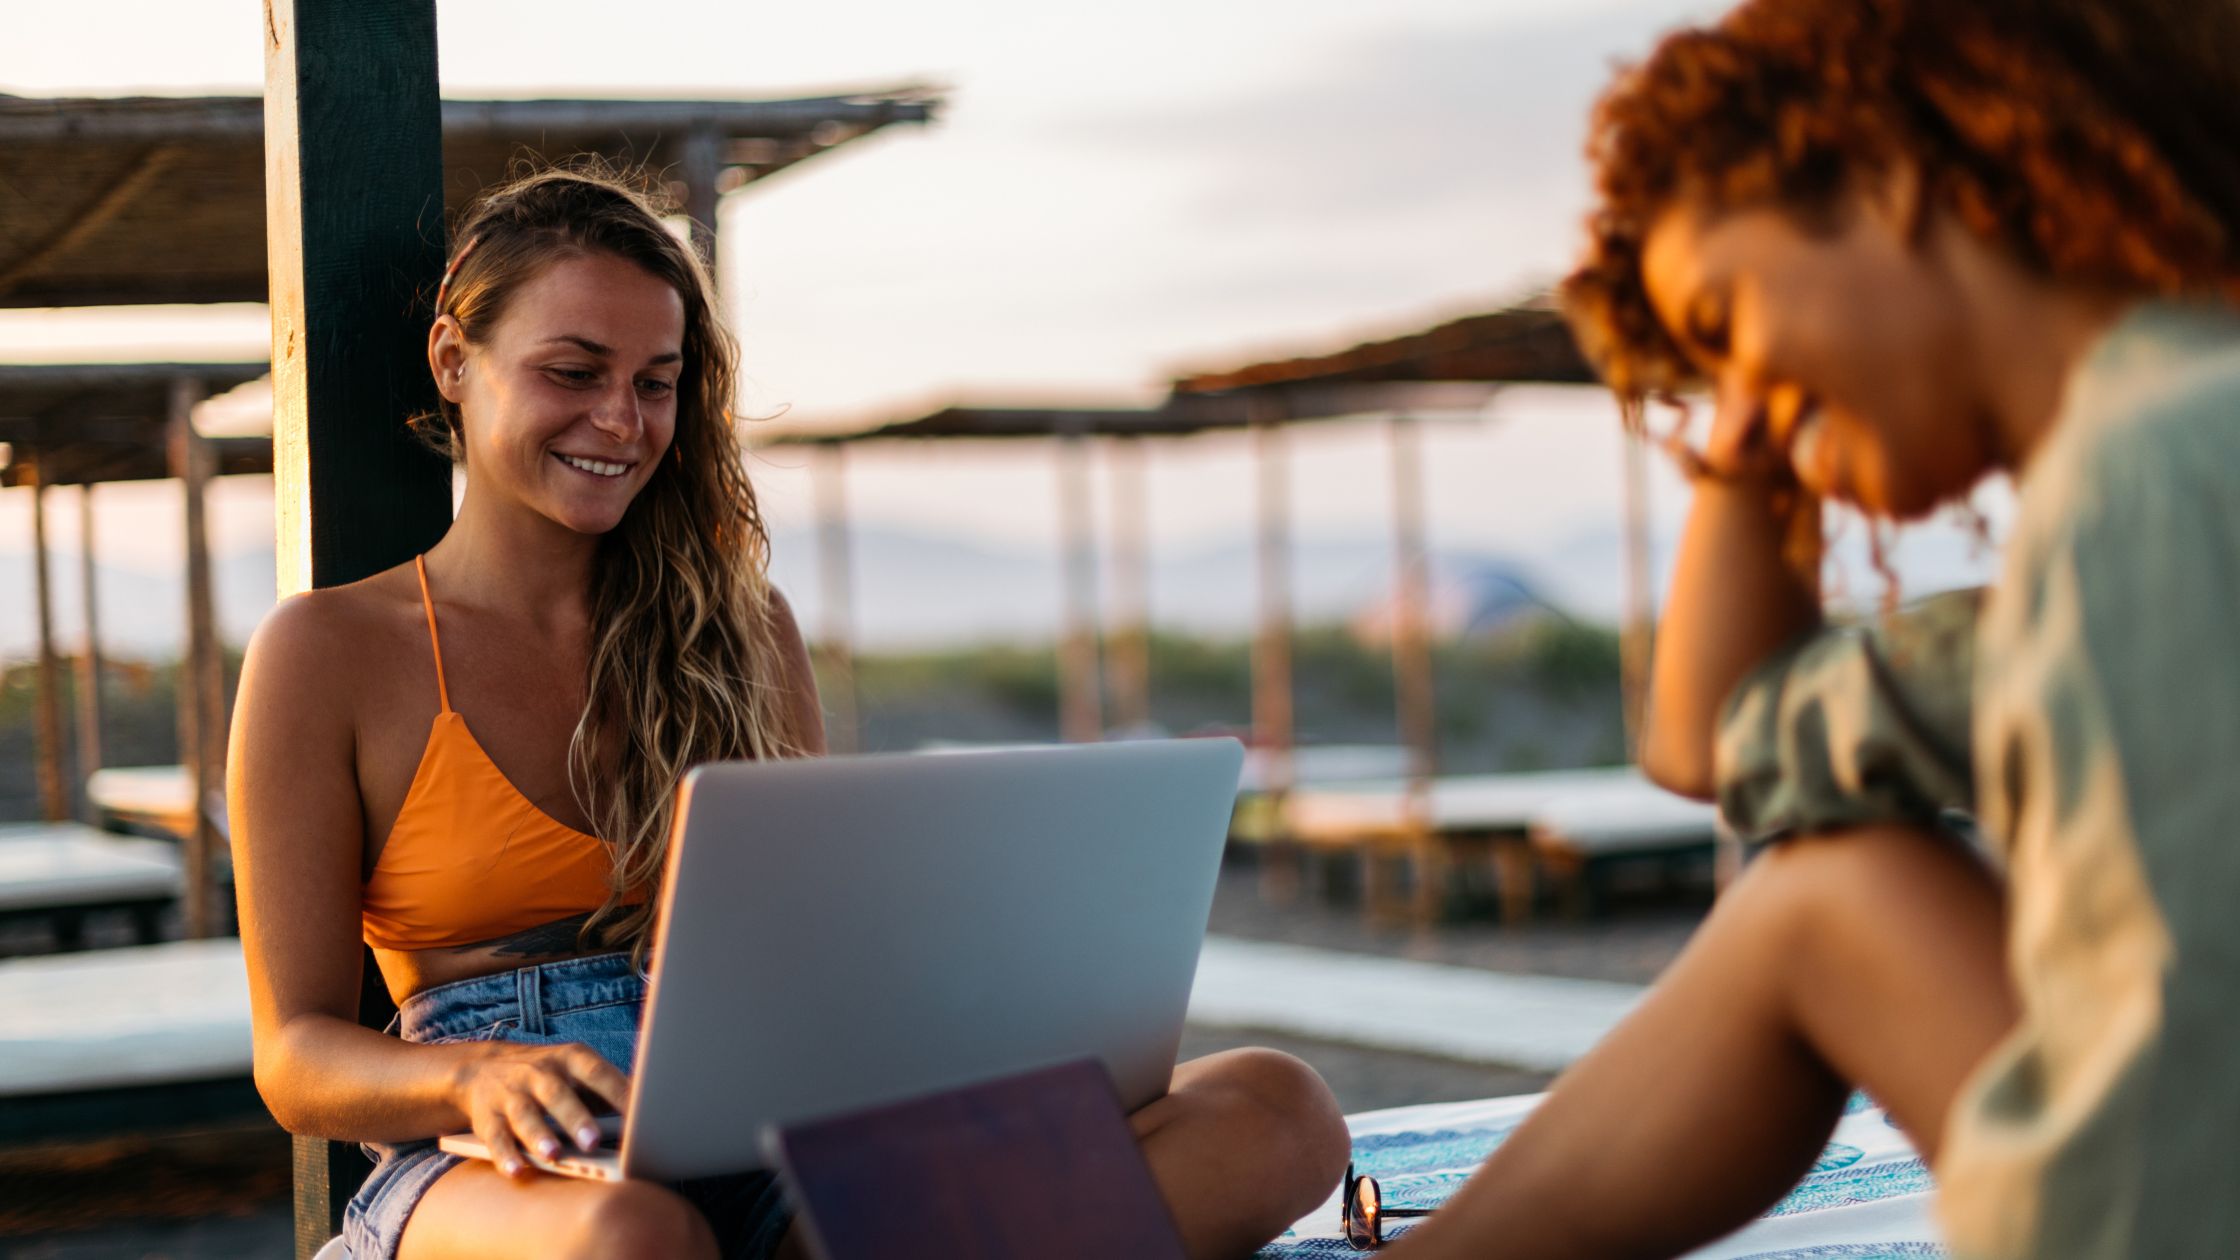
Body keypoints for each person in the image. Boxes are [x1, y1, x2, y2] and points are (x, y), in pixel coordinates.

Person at [230, 166, 1349, 1260]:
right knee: (633, 1236)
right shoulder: (328, 653)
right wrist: (477, 1078)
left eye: (657, 382)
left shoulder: (740, 628)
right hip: (497, 1165)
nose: (619, 421)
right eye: (573, 371)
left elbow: (822, 950)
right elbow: (295, 1060)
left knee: (1274, 1109)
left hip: (773, 1138)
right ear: (453, 362)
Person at [1381, 1, 2240, 1256]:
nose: (1742, 416)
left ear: (1880, 175)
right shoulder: (2123, 487)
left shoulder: (2155, 475)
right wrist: (1745, 453)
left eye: (1723, 327)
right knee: (1830, 891)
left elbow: (2181, 1125)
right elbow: (1727, 746)